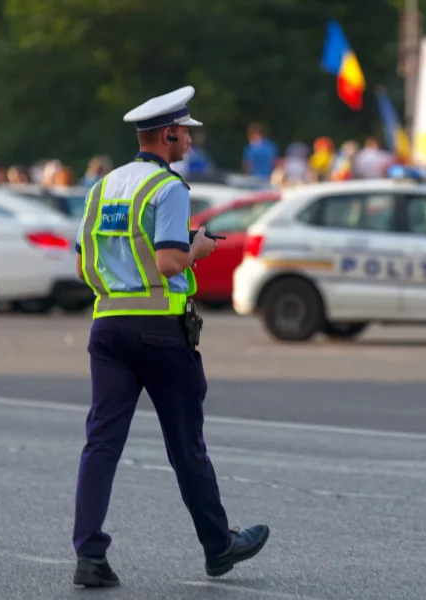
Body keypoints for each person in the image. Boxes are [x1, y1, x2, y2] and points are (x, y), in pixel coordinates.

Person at [70, 85, 270, 588]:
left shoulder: (103, 187)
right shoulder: (170, 188)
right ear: (168, 134)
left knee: (101, 443)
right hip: (159, 330)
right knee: (186, 445)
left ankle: (89, 555)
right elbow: (167, 260)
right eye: (187, 133)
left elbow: (80, 265)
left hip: (107, 327)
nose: (191, 142)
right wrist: (198, 247)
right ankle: (218, 547)